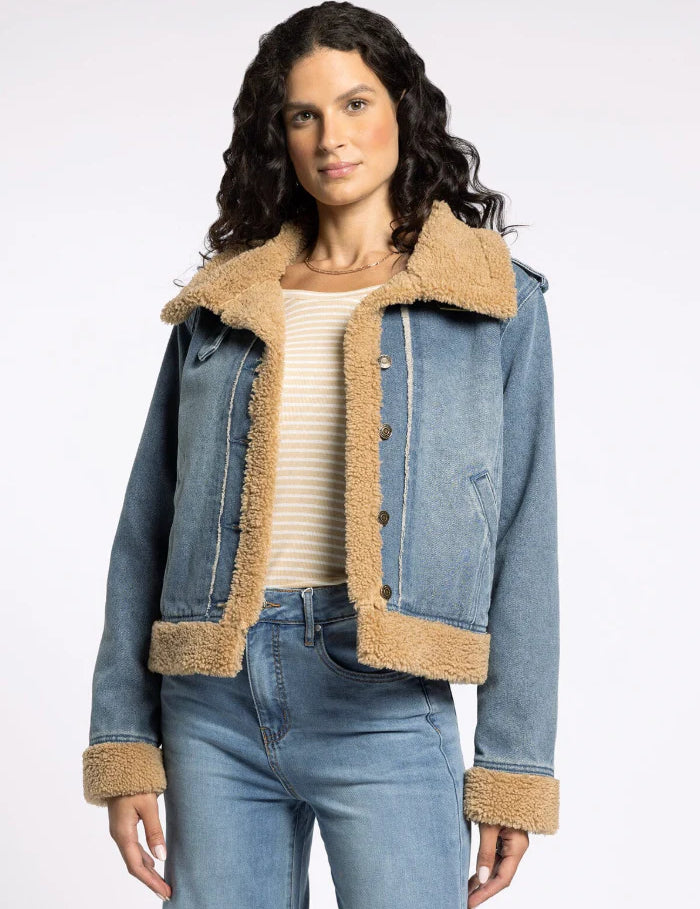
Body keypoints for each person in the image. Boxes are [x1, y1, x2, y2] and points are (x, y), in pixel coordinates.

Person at [82, 3, 560, 907]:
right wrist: (123, 737)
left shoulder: (490, 298)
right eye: (303, 114)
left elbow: (525, 531)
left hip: (382, 698)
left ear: (402, 111)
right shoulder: (224, 302)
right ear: (280, 135)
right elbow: (147, 521)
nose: (331, 137)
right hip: (211, 701)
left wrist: (515, 764)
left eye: (354, 104)